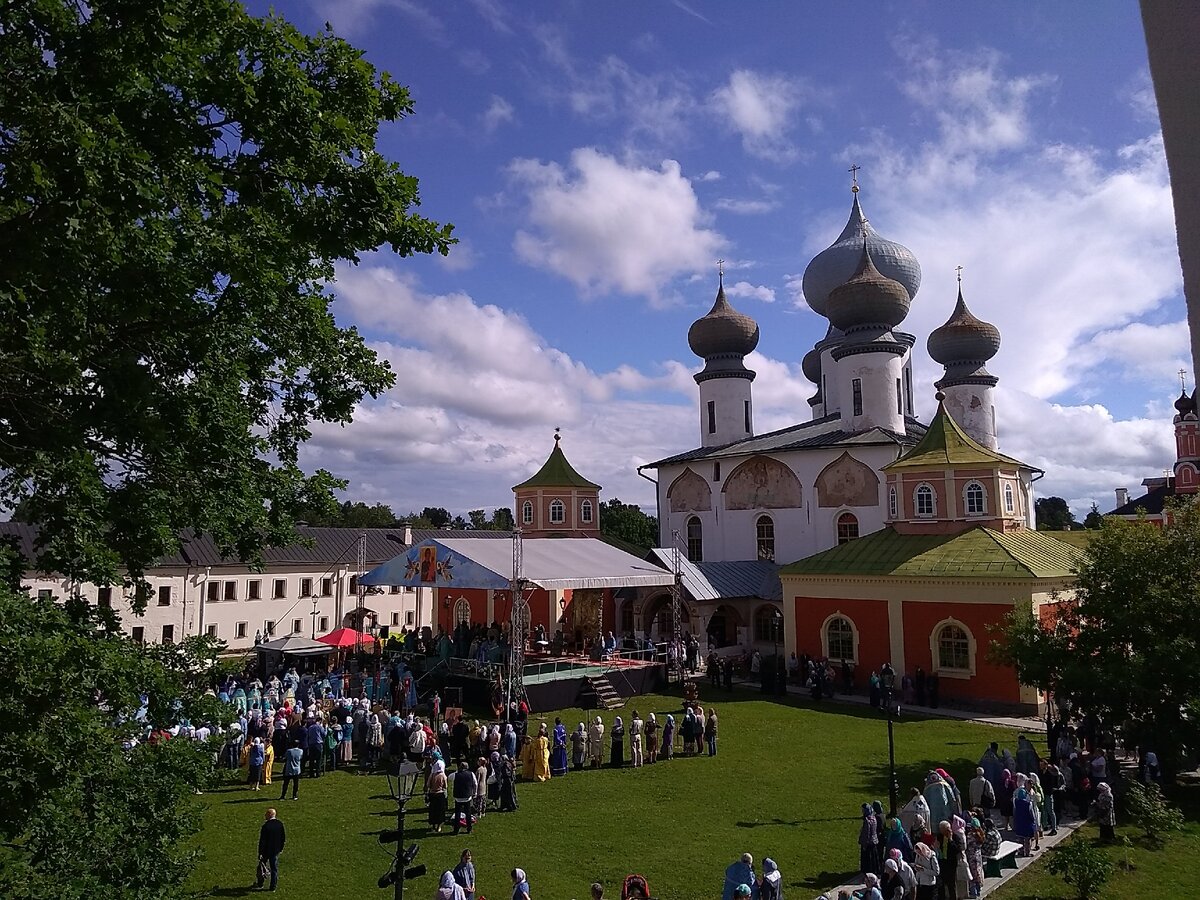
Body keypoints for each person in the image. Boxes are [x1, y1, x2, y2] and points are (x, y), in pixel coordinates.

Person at [255, 808, 286, 892]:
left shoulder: (266, 826)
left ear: (269, 815)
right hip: (275, 850)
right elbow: (283, 838)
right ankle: (273, 887)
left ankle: (260, 883)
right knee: (274, 869)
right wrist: (281, 848)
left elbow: (262, 841)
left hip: (266, 851)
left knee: (261, 868)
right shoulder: (280, 824)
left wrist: (260, 852)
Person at [452, 761, 477, 834]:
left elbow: (449, 777)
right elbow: (475, 783)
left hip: (458, 797)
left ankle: (456, 829)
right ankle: (469, 828)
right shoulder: (471, 774)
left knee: (457, 813)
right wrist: (474, 793)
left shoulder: (456, 774)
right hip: (467, 796)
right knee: (468, 813)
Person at [427, 759, 448, 833]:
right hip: (440, 794)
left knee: (433, 810)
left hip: (432, 794)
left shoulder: (432, 775)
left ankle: (433, 825)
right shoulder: (443, 775)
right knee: (440, 811)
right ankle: (439, 826)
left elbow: (428, 785)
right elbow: (445, 786)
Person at [859, 803, 879, 879]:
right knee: (873, 860)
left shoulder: (867, 820)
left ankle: (867, 875)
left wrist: (864, 844)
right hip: (874, 841)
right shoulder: (874, 818)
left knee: (867, 861)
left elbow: (866, 834)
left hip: (868, 843)